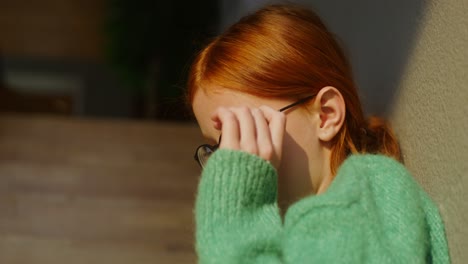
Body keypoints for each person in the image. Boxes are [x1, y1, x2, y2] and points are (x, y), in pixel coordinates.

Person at [186, 4, 450, 263]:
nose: (232, 159)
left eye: (246, 128)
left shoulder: (366, 199)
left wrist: (233, 222)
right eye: (217, 149)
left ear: (326, 115)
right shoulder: (305, 220)